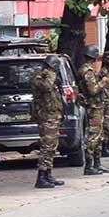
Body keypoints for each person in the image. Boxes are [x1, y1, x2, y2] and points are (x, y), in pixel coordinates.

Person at [77, 45, 109, 175]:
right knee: (93, 137)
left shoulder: (88, 69)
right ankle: (89, 166)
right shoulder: (88, 71)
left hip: (97, 106)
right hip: (93, 106)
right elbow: (92, 90)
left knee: (99, 136)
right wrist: (103, 82)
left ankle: (97, 164)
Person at [31, 55, 64, 189]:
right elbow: (46, 87)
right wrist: (50, 74)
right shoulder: (40, 77)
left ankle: (48, 174)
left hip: (54, 116)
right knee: (46, 147)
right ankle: (41, 177)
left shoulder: (51, 77)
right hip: (46, 116)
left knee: (52, 147)